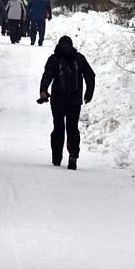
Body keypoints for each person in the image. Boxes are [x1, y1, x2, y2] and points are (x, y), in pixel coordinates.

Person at [38, 36, 95, 170]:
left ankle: (57, 157)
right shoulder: (79, 58)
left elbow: (47, 75)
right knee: (72, 127)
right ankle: (73, 155)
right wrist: (88, 93)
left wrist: (43, 90)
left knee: (58, 127)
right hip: (74, 101)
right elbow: (90, 76)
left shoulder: (54, 58)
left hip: (58, 100)